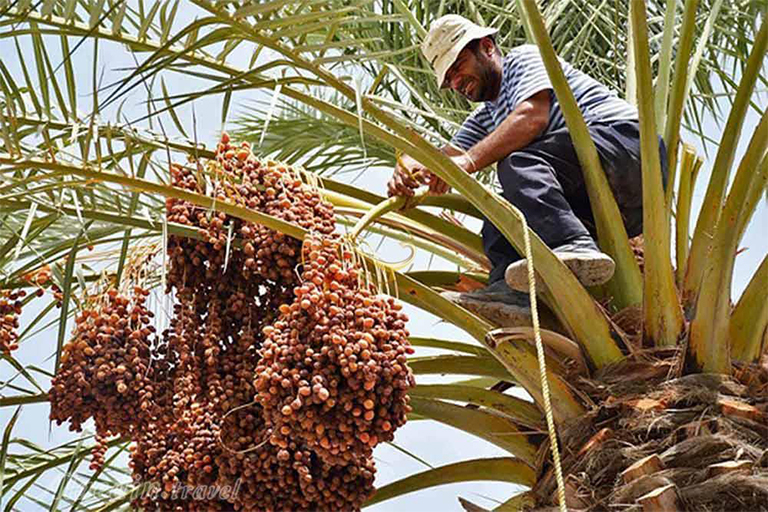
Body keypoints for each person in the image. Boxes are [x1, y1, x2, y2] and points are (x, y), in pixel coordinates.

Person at [387, 14, 667, 324]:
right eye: (448, 79)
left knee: (518, 163)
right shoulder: (486, 117)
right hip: (618, 209)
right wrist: (409, 165)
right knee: (500, 215)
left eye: (457, 68)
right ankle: (511, 292)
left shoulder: (524, 59)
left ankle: (574, 245)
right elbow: (442, 156)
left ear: (487, 47)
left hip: (631, 152)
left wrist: (467, 163)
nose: (455, 83)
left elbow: (532, 118)